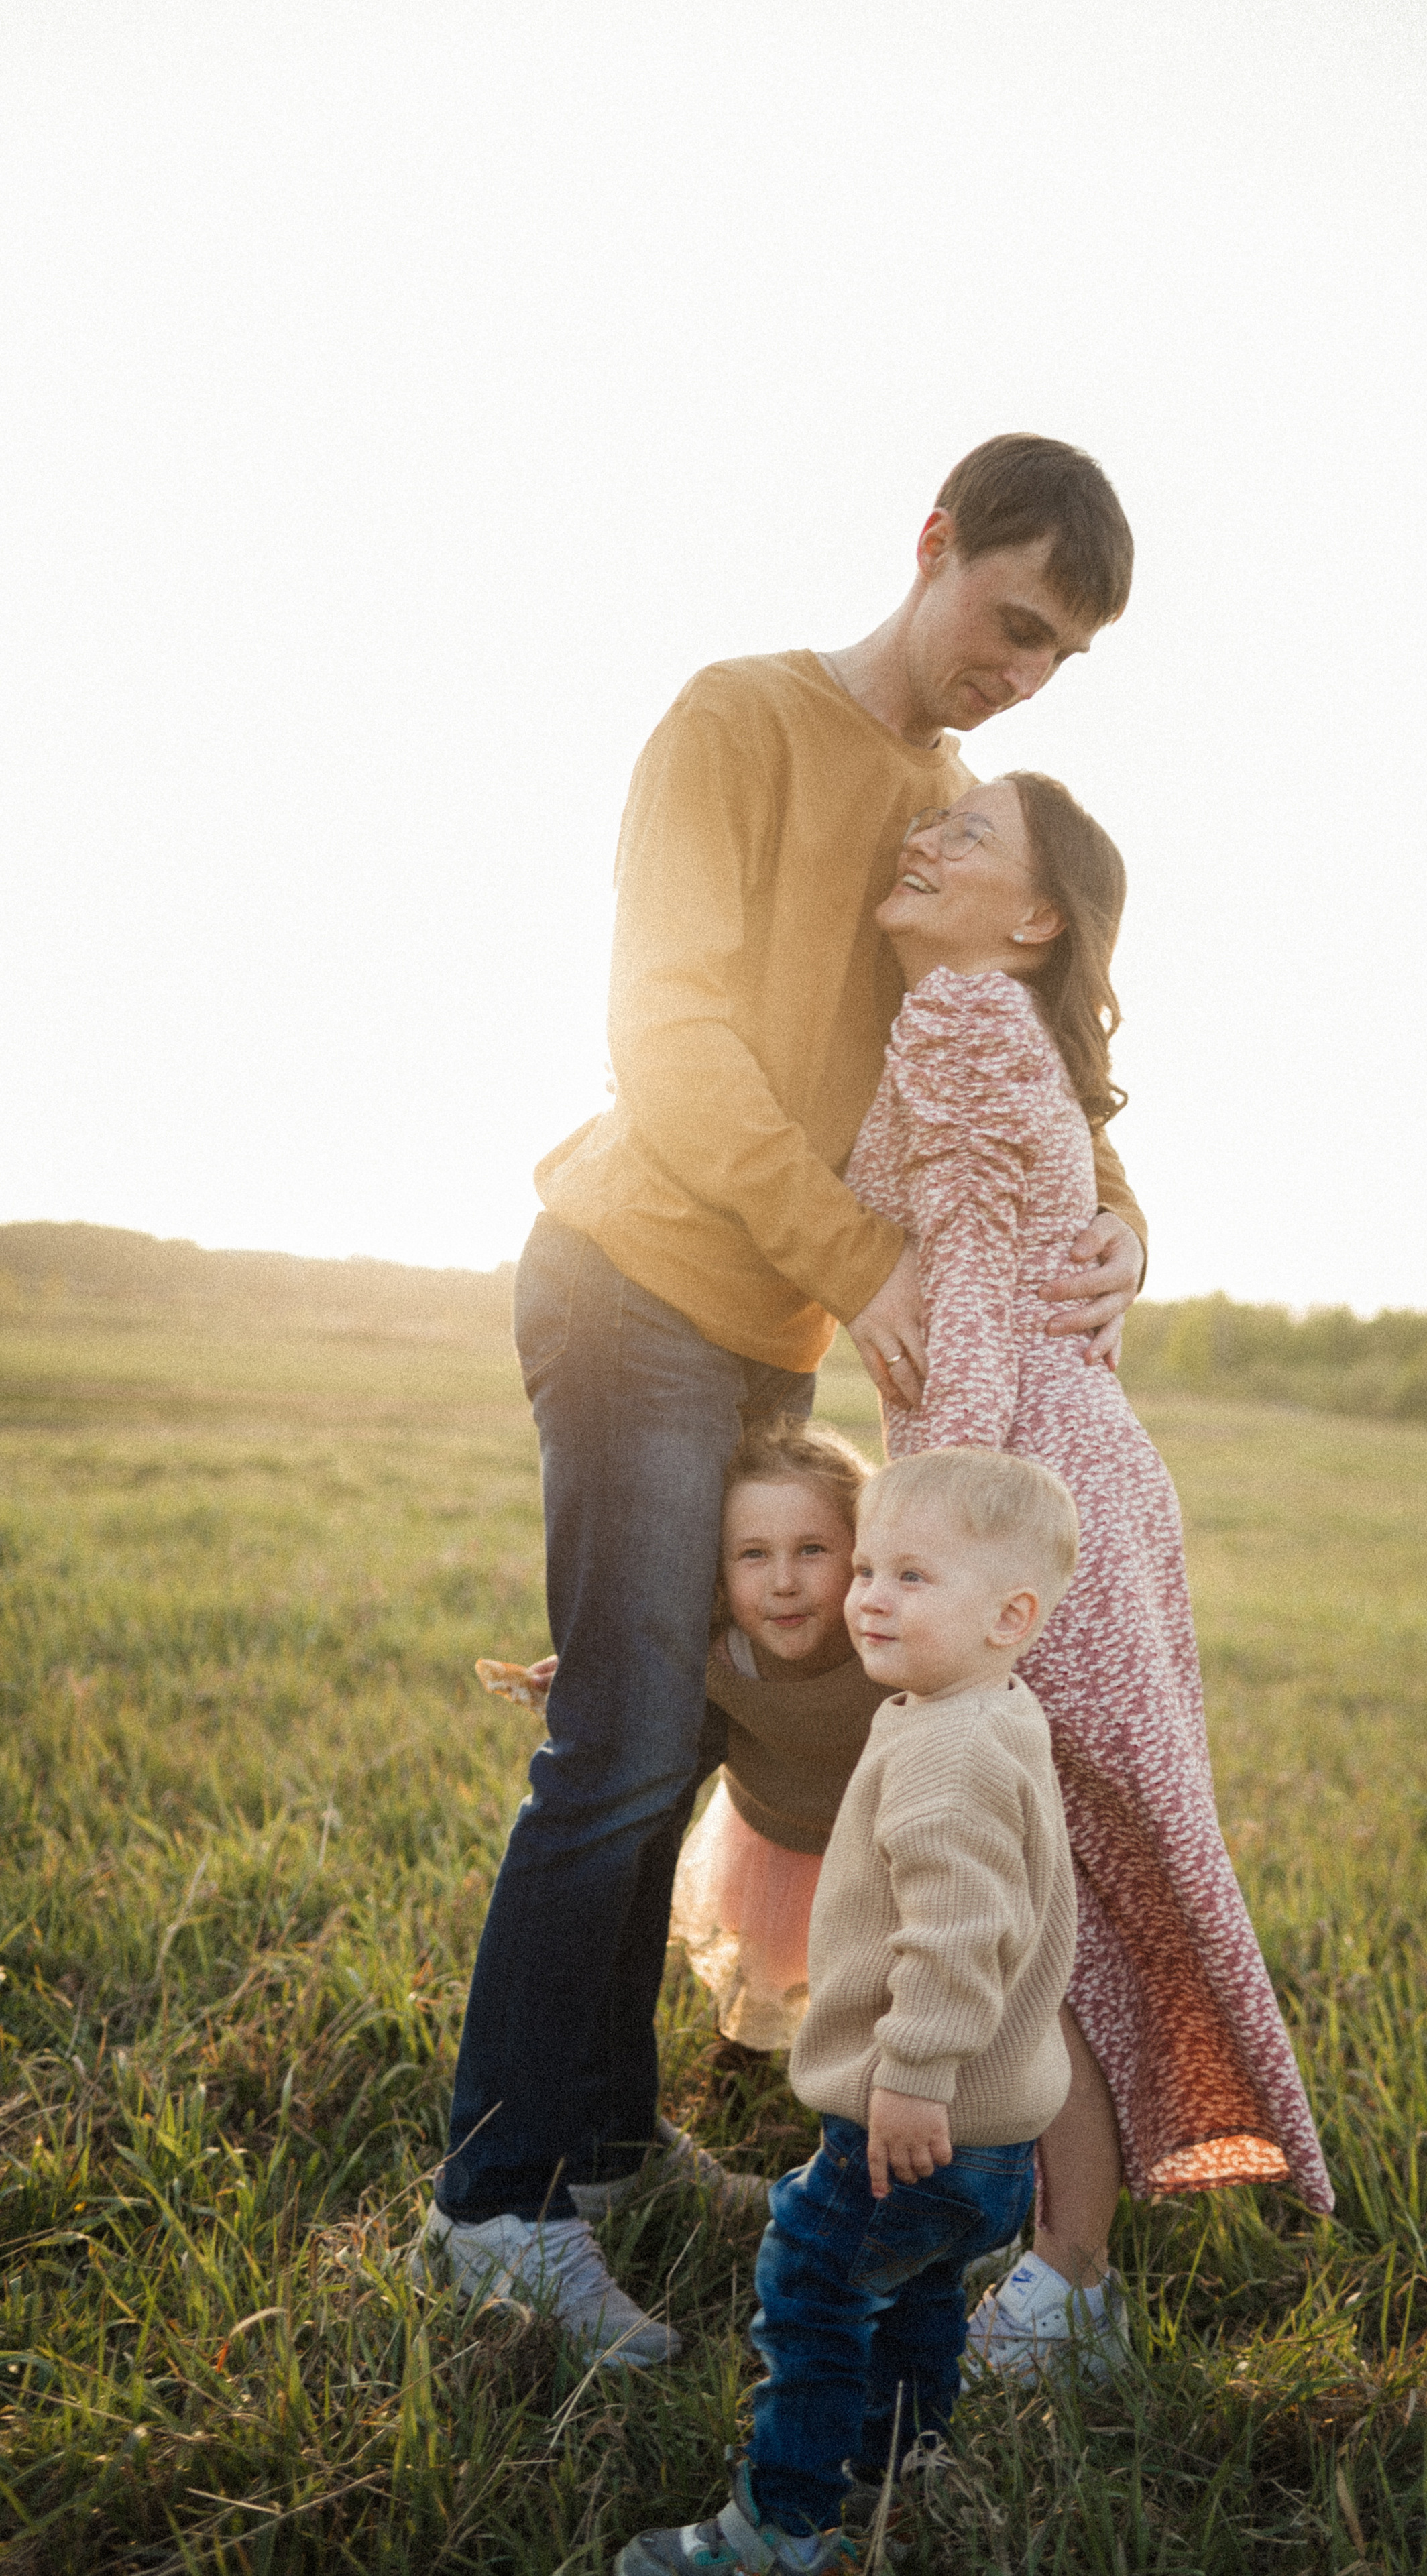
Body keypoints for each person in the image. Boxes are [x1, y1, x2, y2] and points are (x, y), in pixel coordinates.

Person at [422, 436, 1148, 2359]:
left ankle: (606, 2133)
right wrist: (866, 1268)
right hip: (641, 1279)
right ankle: (495, 2202)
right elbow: (666, 1039)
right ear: (931, 548)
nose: (1022, 673)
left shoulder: (959, 811)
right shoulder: (735, 721)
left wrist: (1123, 1224)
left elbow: (1036, 1033)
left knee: (687, 1738)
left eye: (1060, 656)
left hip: (772, 1334)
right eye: (1011, 621)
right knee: (625, 1742)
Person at [844, 771, 1334, 2383]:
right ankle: (1063, 2246)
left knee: (1049, 1885)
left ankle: (1064, 2277)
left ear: (1035, 914)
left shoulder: (962, 1021)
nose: (927, 841)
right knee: (1093, 1870)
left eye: (968, 836)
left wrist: (929, 1537)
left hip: (1027, 1496)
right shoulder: (997, 1022)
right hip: (1083, 1487)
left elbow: (975, 1286)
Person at [616, 1446, 1081, 2576]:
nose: (868, 1595)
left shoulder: (945, 1754)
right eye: (866, 1566)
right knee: (920, 2293)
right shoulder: (991, 1707)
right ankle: (901, 2455)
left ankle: (782, 2524)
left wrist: (912, 2074)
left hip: (919, 2111)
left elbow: (958, 1937)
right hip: (1001, 2141)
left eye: (910, 1576)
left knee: (813, 2287)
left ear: (1009, 1613)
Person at [482, 1417, 886, 2054]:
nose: (784, 1581)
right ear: (719, 1573)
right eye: (754, 1554)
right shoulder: (717, 1657)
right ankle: (741, 2059)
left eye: (812, 1550)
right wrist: (587, 1676)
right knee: (767, 1971)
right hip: (774, 1843)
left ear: (863, 1551)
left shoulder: (890, 1653)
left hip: (873, 1853)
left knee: (875, 1997)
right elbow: (644, 1677)